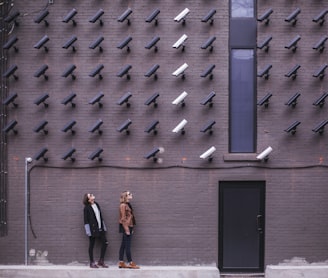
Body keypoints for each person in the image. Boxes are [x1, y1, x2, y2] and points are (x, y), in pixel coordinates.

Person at [83, 193, 109, 268]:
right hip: (92, 230)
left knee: (105, 243)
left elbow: (100, 216)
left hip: (100, 228)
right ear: (88, 199)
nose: (92, 195)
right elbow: (86, 221)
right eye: (90, 195)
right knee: (91, 245)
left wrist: (103, 227)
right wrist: (88, 231)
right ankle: (91, 262)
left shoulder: (97, 204)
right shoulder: (86, 208)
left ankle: (101, 261)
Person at [118, 191, 140, 269]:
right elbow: (123, 219)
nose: (131, 195)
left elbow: (130, 217)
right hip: (126, 227)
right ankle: (130, 262)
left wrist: (131, 228)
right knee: (127, 245)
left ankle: (121, 262)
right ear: (125, 196)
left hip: (129, 226)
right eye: (129, 194)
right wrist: (127, 229)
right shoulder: (123, 205)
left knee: (123, 245)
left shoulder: (127, 204)